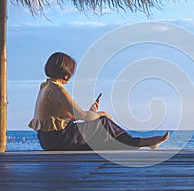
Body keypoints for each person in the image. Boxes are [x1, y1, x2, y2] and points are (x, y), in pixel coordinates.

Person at [28, 52, 170, 151]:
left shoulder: (45, 87)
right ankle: (141, 142)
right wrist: (101, 114)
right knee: (103, 123)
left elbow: (68, 116)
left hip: (47, 140)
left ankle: (137, 144)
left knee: (98, 140)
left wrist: (91, 113)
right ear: (66, 73)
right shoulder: (57, 89)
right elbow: (81, 116)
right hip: (58, 139)